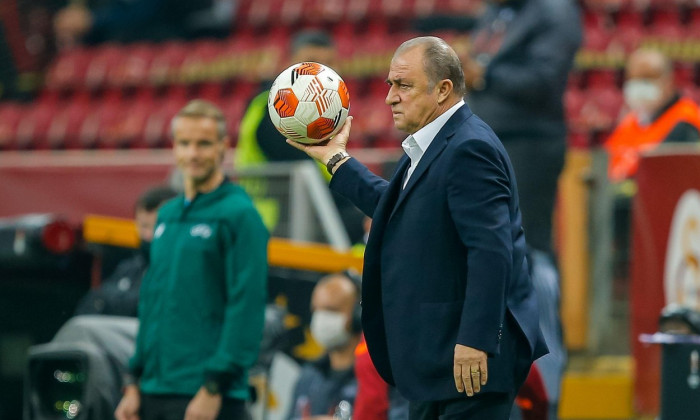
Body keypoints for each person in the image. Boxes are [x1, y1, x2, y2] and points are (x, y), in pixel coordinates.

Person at [287, 36, 547, 419]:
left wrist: (475, 339)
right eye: (391, 84)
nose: (390, 97)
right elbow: (399, 211)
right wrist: (336, 160)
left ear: (443, 89)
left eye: (403, 85)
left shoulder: (469, 148)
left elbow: (491, 251)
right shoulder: (434, 145)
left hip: (469, 362)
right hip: (435, 358)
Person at [461, 2, 581, 416]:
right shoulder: (497, 11)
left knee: (528, 256)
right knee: (491, 254)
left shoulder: (555, 11)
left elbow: (546, 79)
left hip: (529, 146)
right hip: (490, 141)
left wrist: (486, 74)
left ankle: (544, 378)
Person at [114, 99, 269, 420]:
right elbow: (152, 301)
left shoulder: (240, 215)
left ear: (223, 147)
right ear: (174, 147)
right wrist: (133, 381)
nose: (193, 154)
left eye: (203, 144)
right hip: (153, 389)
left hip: (207, 395)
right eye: (184, 143)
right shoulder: (167, 216)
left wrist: (214, 386)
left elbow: (247, 306)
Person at [235, 29, 364, 243]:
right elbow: (306, 167)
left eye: (328, 64)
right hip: (277, 222)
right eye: (310, 63)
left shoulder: (318, 112)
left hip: (305, 213)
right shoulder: (277, 110)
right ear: (289, 64)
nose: (319, 73)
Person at [74, 185, 177, 317]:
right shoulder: (130, 269)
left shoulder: (184, 270)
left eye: (157, 226)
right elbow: (90, 307)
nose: (148, 235)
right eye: (144, 226)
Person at [605, 48, 700, 183]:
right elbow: (608, 164)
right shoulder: (632, 121)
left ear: (669, 82)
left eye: (647, 78)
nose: (638, 87)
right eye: (633, 79)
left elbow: (664, 176)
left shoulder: (685, 120)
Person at [287, 272, 362, 419]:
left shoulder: (373, 380)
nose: (321, 318)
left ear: (357, 316)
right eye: (316, 310)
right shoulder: (308, 376)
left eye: (331, 310)